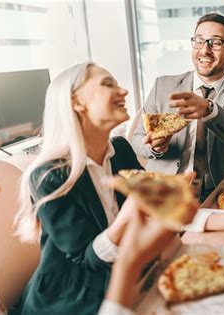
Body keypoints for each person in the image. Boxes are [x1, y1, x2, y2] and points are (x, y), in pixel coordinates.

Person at [12, 62, 175, 314]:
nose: (124, 92)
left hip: (126, 282)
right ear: (77, 102)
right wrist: (129, 214)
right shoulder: (48, 176)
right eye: (108, 84)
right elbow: (89, 259)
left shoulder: (120, 150)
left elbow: (159, 209)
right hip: (74, 300)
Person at [132, 13, 224, 201]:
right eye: (199, 41)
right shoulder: (163, 85)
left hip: (214, 193)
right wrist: (155, 148)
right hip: (163, 192)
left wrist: (209, 110)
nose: (205, 50)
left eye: (215, 43)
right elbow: (136, 140)